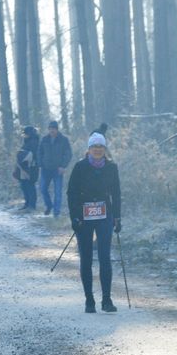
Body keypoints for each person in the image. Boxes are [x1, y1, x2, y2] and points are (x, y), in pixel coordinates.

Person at [67, 133, 121, 314]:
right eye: (94, 146)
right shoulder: (80, 167)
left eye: (101, 147)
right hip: (84, 216)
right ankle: (89, 300)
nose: (98, 150)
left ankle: (107, 299)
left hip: (105, 215)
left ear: (104, 149)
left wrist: (117, 217)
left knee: (105, 257)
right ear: (89, 149)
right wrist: (74, 217)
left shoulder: (112, 167)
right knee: (87, 258)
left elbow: (117, 194)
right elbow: (71, 193)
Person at [38, 120, 72, 217]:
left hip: (58, 170)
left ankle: (56, 213)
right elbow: (39, 152)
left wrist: (63, 166)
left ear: (57, 129)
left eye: (54, 128)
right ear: (48, 129)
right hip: (45, 169)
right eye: (50, 128)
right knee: (43, 189)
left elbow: (68, 154)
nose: (52, 130)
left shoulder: (64, 140)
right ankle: (49, 206)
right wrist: (40, 165)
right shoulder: (44, 139)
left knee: (58, 192)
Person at [13, 126, 39, 211]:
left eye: (25, 134)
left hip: (32, 167)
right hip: (24, 167)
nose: (24, 135)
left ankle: (32, 205)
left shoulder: (35, 142)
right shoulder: (27, 142)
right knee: (24, 185)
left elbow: (34, 155)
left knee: (30, 185)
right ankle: (27, 204)